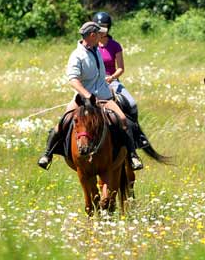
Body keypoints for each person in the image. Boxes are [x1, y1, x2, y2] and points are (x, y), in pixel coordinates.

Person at [37, 21, 144, 171]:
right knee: (63, 122)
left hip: (105, 97)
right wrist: (87, 95)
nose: (102, 36)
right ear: (93, 35)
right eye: (100, 34)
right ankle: (47, 154)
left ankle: (133, 156)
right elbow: (73, 80)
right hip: (82, 99)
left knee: (122, 119)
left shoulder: (96, 50)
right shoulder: (77, 56)